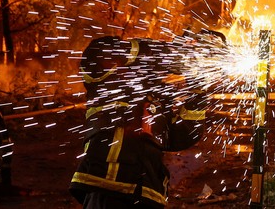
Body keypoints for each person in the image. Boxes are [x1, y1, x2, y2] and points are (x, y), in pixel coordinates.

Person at [69, 35, 213, 208]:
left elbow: (183, 135)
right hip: (108, 187)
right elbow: (102, 52)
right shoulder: (105, 83)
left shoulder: (156, 100)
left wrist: (198, 90)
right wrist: (174, 54)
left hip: (148, 194)